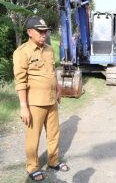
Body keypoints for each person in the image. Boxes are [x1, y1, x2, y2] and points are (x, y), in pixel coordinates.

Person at [13, 16, 69, 181]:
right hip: (34, 104)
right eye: (40, 31)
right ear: (30, 32)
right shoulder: (22, 52)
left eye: (45, 31)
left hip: (51, 100)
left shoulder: (49, 49)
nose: (43, 34)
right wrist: (24, 106)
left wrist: (58, 88)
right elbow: (20, 81)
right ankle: (32, 167)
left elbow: (52, 72)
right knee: (33, 137)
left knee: (54, 133)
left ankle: (53, 161)